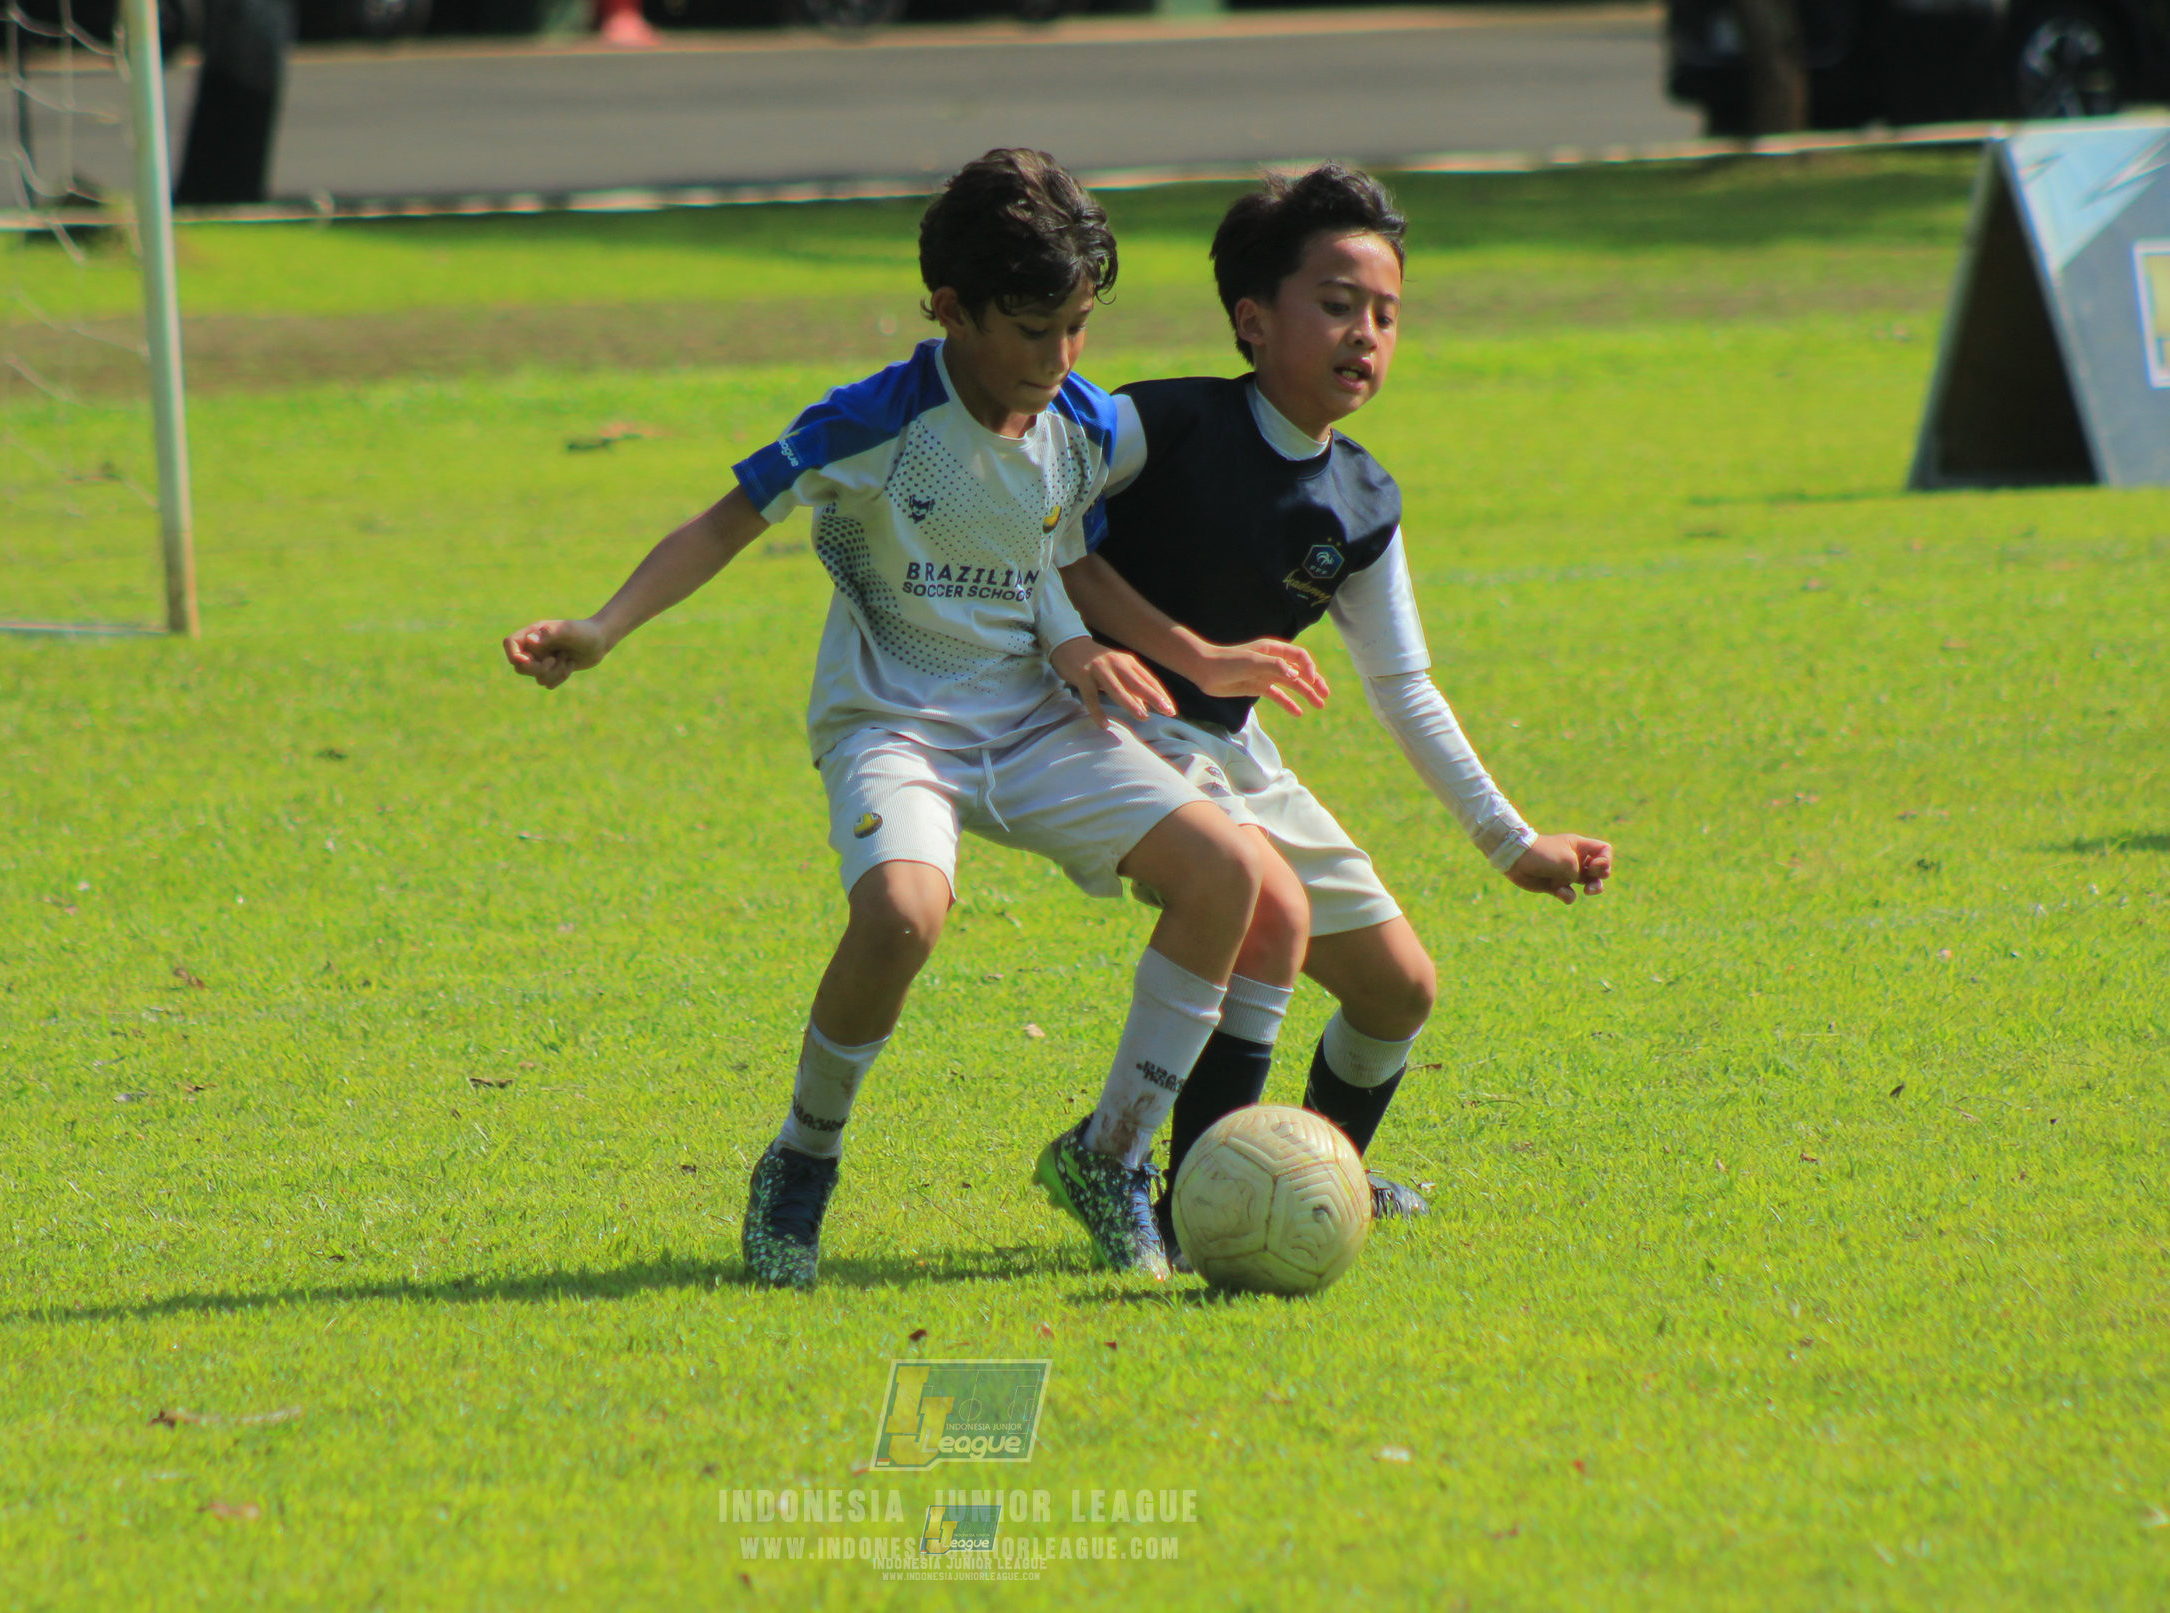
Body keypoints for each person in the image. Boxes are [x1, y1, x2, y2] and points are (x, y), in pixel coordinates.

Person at [503, 150, 1274, 1288]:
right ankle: (803, 1157)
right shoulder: (875, 421)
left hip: (1033, 718)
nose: (1059, 360)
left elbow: (1056, 551)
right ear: (952, 310)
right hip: (895, 720)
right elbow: (724, 522)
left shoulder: (1080, 419)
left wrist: (1101, 646)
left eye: (1078, 327)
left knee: (1225, 873)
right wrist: (605, 626)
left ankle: (1109, 1156)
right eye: (1030, 331)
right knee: (904, 913)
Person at [1059, 163, 1612, 1244]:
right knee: (1268, 908)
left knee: (1398, 989)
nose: (1365, 333)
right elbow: (1041, 530)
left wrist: (1510, 842)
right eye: (1336, 303)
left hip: (1229, 749)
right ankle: (1182, 1197)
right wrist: (1175, 652)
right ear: (1252, 320)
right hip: (1108, 728)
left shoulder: (1362, 499)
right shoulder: (1159, 424)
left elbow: (1402, 683)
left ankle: (1315, 1171)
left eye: (1386, 314)